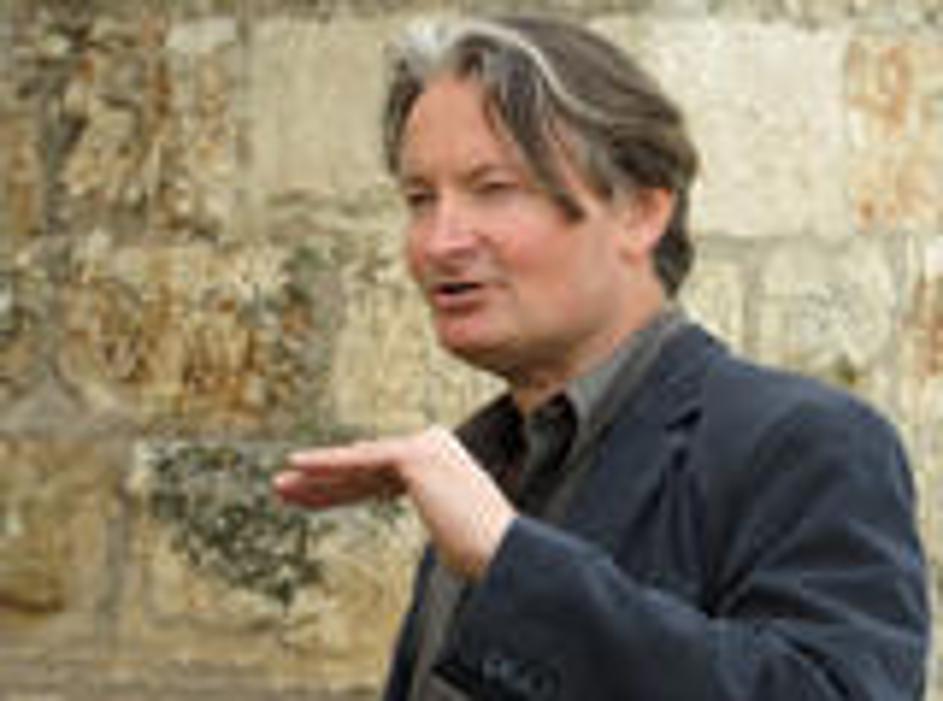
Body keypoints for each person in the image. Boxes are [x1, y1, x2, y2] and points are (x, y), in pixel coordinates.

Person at [274, 14, 929, 700]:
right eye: (419, 199)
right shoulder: (485, 467)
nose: (440, 241)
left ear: (639, 213)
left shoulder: (803, 442)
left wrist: (510, 562)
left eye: (493, 189)